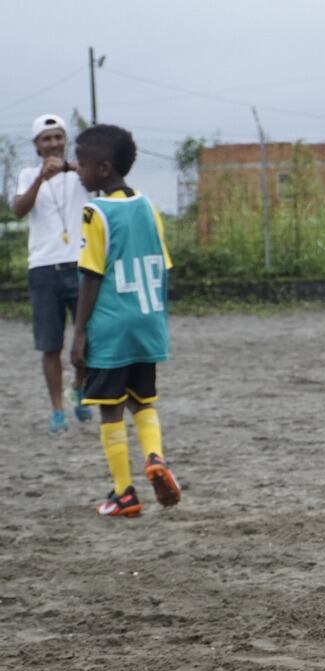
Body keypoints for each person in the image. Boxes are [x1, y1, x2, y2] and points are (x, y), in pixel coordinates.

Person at [69, 124, 181, 517]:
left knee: (110, 409)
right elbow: (164, 266)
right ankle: (155, 456)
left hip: (112, 327)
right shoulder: (149, 207)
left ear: (102, 169)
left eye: (81, 164)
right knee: (143, 401)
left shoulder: (94, 212)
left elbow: (91, 274)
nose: (77, 170)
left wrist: (79, 332)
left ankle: (124, 494)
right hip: (148, 323)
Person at [11, 114, 92, 432]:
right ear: (36, 145)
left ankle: (79, 388)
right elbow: (18, 208)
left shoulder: (79, 171)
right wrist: (40, 180)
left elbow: (96, 173)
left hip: (80, 263)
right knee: (50, 344)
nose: (53, 143)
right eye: (46, 138)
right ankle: (57, 408)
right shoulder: (27, 174)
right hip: (44, 268)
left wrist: (68, 167)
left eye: (58, 137)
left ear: (66, 140)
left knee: (90, 338)